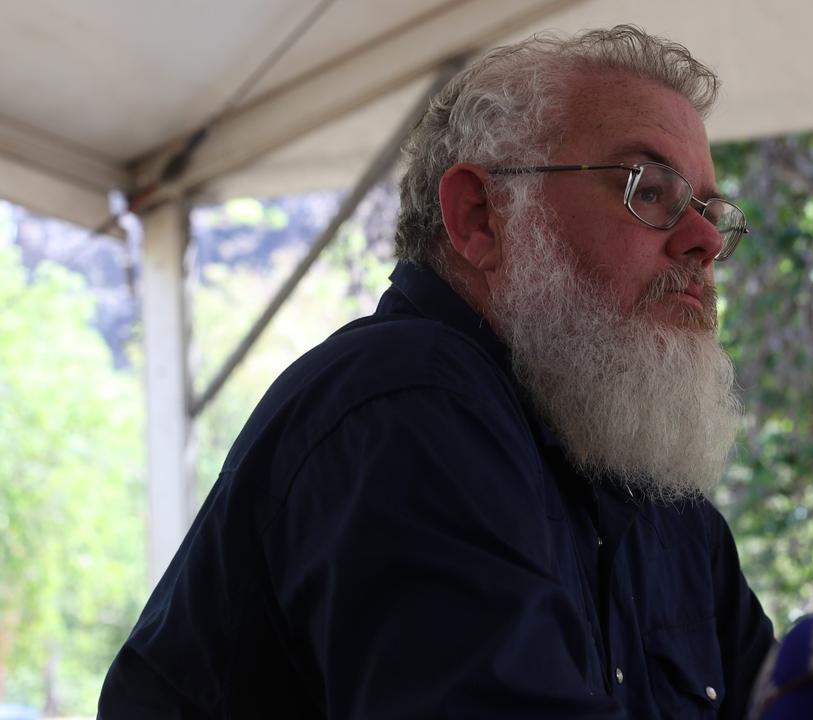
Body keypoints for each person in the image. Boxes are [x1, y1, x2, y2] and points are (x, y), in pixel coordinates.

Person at [99, 25, 775, 718]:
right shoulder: (407, 400)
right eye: (651, 190)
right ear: (480, 217)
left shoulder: (659, 501)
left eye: (712, 212)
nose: (707, 241)